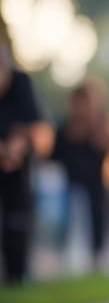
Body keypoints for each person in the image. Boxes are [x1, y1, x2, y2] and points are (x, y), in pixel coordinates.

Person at [50, 78, 109, 272]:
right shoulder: (65, 127)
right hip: (69, 182)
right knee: (69, 221)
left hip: (96, 182)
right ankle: (65, 258)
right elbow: (53, 153)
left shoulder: (103, 125)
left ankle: (98, 257)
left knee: (99, 217)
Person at [0, 40, 53, 285]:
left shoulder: (21, 84)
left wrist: (17, 146)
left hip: (17, 171)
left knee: (17, 222)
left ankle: (16, 276)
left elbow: (42, 134)